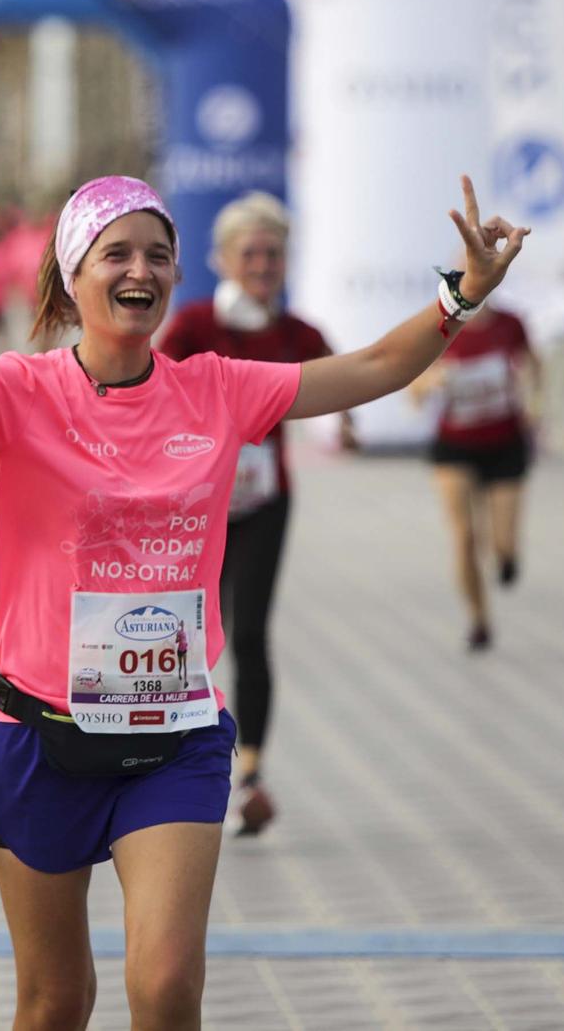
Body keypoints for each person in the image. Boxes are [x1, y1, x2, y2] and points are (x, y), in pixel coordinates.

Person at [0, 171, 525, 1028]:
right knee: (54, 1000)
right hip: (37, 736)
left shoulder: (219, 388)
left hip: (172, 738)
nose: (138, 269)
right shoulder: (17, 391)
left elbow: (374, 367)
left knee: (165, 985)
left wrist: (461, 298)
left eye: (157, 253)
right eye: (115, 252)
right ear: (73, 273)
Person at [158, 191, 351, 838]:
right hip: (197, 508)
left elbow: (343, 376)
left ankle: (253, 776)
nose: (264, 264)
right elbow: (153, 391)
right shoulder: (191, 326)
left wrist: (346, 425)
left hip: (266, 501)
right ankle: (175, 760)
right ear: (222, 260)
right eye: (251, 253)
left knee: (251, 634)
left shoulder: (297, 333)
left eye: (273, 253)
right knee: (194, 633)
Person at [406, 298, 537, 653]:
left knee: (502, 544)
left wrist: (535, 406)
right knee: (463, 537)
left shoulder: (510, 323)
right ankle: (478, 619)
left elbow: (533, 366)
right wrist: (431, 382)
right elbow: (412, 388)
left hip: (504, 442)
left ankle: (507, 558)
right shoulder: (441, 327)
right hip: (455, 445)